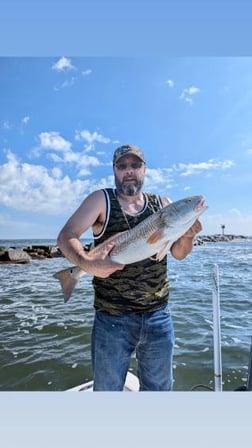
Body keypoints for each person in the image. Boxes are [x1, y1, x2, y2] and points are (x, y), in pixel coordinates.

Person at [57, 144, 202, 391]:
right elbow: (66, 236)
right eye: (122, 166)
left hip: (158, 315)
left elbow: (177, 253)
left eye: (135, 165)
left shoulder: (163, 204)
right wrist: (86, 263)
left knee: (159, 392)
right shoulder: (100, 200)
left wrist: (187, 237)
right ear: (114, 170)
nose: (129, 171)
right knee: (108, 392)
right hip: (112, 318)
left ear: (144, 169)